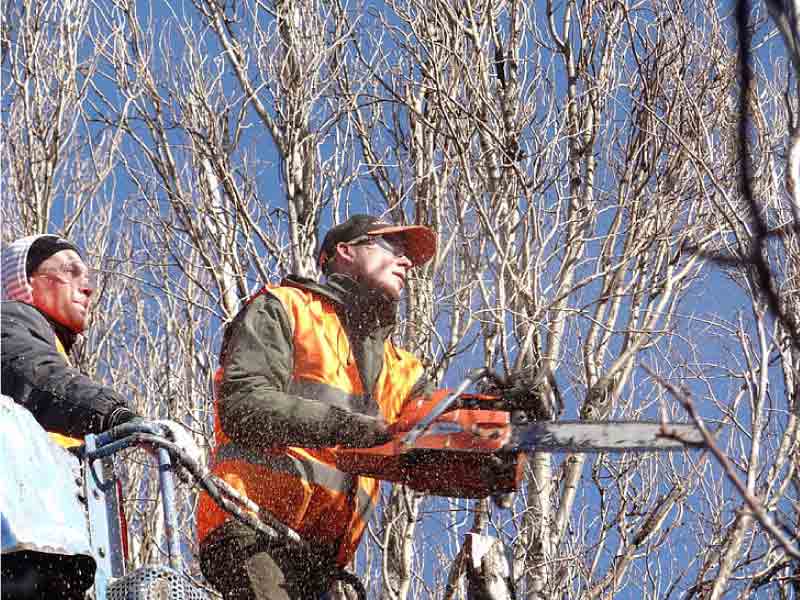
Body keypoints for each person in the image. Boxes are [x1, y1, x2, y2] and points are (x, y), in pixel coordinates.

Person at [196, 215, 438, 599]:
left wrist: (504, 411)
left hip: (319, 560)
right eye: (392, 247)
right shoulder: (285, 308)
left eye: (407, 254)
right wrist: (346, 426)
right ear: (345, 251)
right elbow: (244, 406)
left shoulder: (401, 370)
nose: (406, 261)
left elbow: (441, 437)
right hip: (249, 523)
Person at [0, 233, 197, 599]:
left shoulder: (47, 345)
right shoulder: (9, 323)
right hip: (21, 550)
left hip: (51, 548)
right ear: (25, 282)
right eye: (69, 271)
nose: (87, 287)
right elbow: (35, 375)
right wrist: (119, 416)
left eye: (87, 276)